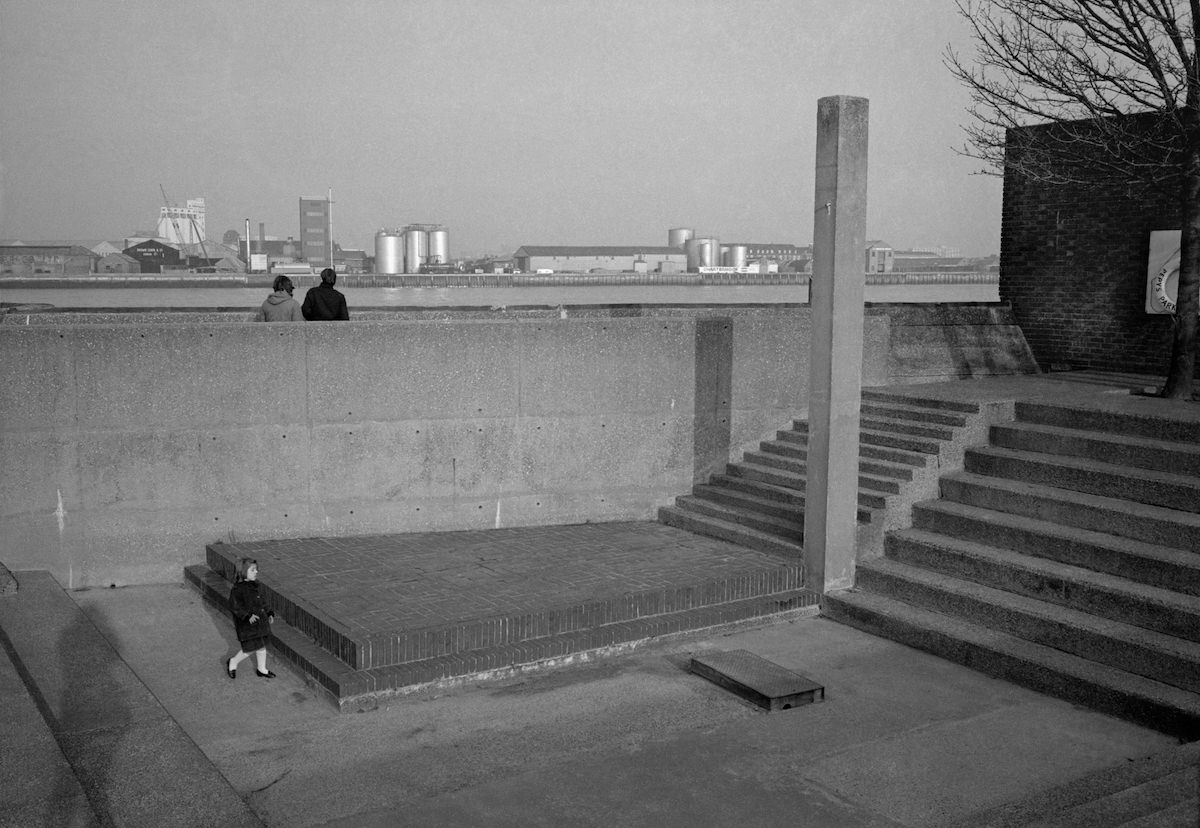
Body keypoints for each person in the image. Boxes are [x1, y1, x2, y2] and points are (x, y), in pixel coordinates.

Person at [226, 558, 276, 679]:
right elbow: (235, 606)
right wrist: (247, 615)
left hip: (260, 622)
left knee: (261, 645)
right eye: (252, 570)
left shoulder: (255, 585)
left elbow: (262, 601)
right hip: (248, 626)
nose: (256, 572)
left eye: (256, 569)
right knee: (249, 648)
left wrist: (269, 612)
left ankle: (261, 669)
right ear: (243, 571)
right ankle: (233, 662)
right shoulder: (238, 589)